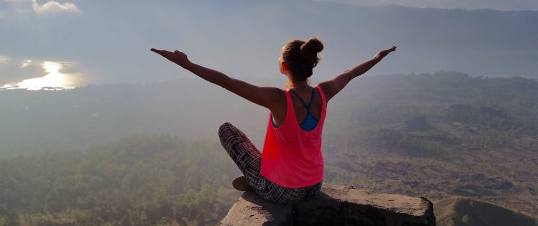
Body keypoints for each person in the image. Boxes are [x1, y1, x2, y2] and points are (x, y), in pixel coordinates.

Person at [151, 38, 396, 204]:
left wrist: (186, 64)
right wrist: (377, 58)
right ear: (311, 65)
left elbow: (227, 82)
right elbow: (349, 74)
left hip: (284, 191)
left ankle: (259, 184)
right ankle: (259, 179)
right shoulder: (324, 92)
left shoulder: (279, 99)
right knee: (263, 156)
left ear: (283, 67)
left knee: (227, 131)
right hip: (314, 184)